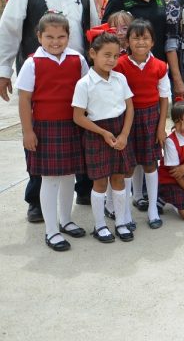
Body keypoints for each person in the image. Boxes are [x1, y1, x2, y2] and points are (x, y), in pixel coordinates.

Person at [0, 0, 100, 221]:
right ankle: (36, 198)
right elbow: (8, 34)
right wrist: (4, 72)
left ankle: (83, 187)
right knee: (40, 136)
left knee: (81, 132)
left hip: (79, 76)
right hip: (41, 80)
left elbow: (93, 31)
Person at [17, 13, 89, 251]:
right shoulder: (32, 63)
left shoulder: (78, 60)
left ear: (69, 36)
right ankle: (51, 231)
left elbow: (87, 91)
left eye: (61, 36)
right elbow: (25, 99)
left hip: (72, 125)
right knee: (49, 179)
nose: (55, 41)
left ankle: (66, 220)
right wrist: (28, 131)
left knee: (69, 175)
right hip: (45, 127)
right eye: (49, 37)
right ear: (39, 37)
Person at [72, 32, 135, 243]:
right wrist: (103, 133)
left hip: (119, 130)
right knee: (99, 182)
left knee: (118, 178)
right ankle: (100, 226)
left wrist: (124, 134)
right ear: (92, 53)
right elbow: (78, 117)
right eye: (106, 55)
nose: (112, 60)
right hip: (97, 133)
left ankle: (120, 222)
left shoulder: (120, 78)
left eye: (116, 56)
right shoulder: (84, 84)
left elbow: (130, 108)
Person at [112, 19, 170, 229]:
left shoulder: (160, 66)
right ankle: (126, 212)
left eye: (145, 38)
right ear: (127, 42)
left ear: (153, 42)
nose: (140, 42)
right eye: (135, 38)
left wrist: (161, 126)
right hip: (126, 119)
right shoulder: (119, 65)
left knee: (150, 163)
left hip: (150, 119)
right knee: (127, 166)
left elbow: (164, 98)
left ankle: (153, 208)